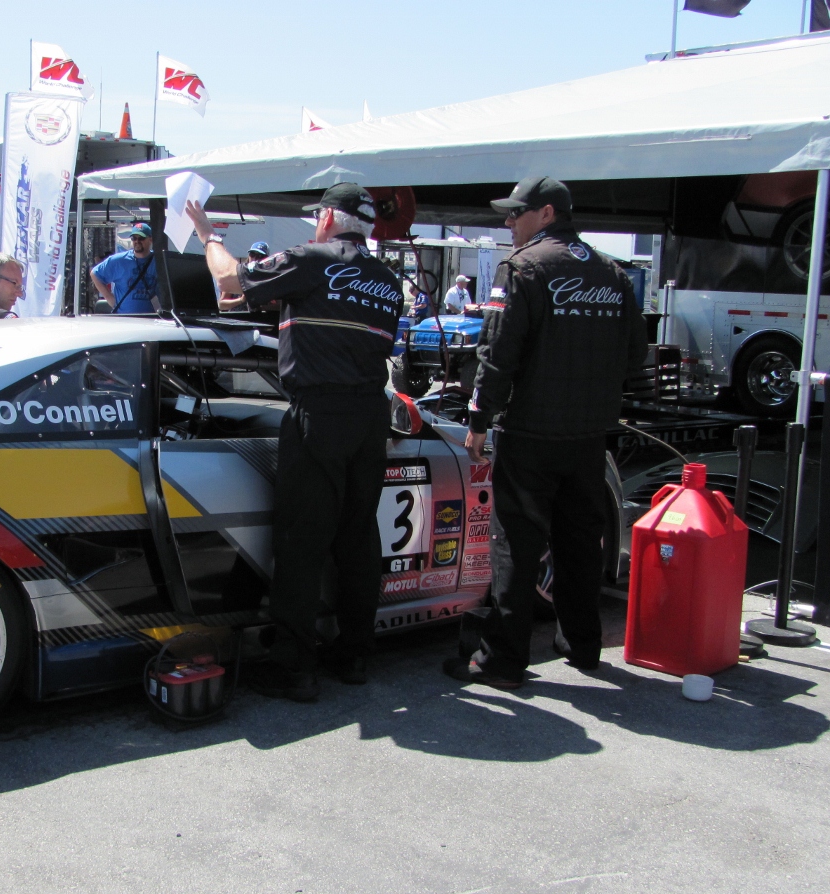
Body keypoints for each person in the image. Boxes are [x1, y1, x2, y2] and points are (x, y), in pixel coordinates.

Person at [187, 183, 402, 700]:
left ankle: (295, 670)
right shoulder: (388, 280)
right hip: (369, 418)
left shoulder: (311, 259)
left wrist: (208, 234)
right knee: (358, 540)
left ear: (327, 217)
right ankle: (354, 657)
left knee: (302, 543)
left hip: (320, 415)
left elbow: (229, 277)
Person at [444, 176, 646, 690]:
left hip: (530, 433)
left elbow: (497, 354)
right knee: (580, 542)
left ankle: (503, 661)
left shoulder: (523, 268)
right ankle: (582, 645)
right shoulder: (614, 273)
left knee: (516, 543)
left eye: (517, 213)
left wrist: (478, 419)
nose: (508, 222)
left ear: (548, 214)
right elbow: (636, 357)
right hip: (589, 436)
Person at [90, 223, 160, 314]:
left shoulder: (159, 261)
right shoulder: (120, 260)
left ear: (150, 239)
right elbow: (95, 273)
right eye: (134, 238)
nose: (137, 241)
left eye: (141, 238)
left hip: (152, 318)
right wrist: (110, 298)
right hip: (125, 318)